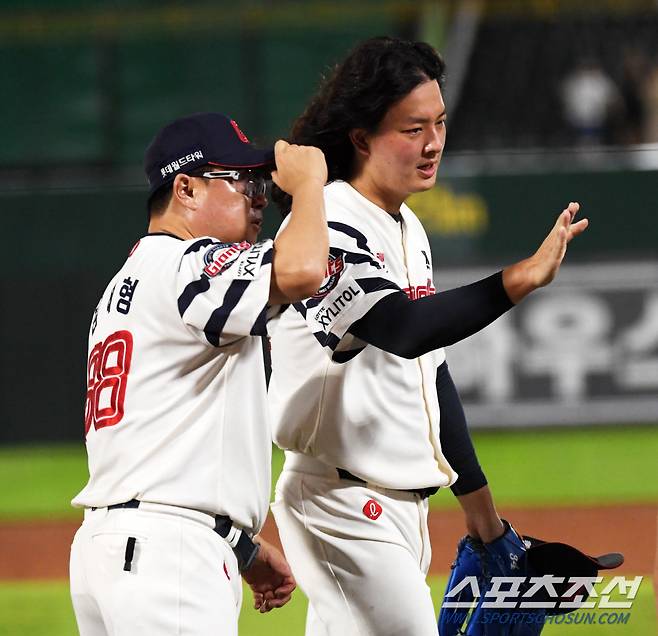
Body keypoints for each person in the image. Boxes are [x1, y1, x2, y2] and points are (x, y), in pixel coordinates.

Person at [267, 37, 588, 636]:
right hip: (339, 502)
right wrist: (517, 280)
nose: (434, 143)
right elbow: (405, 330)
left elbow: (430, 378)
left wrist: (484, 518)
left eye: (439, 123)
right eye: (413, 129)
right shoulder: (328, 220)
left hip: (398, 506)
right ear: (362, 136)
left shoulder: (408, 227)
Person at [69, 112, 329, 635]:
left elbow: (171, 453)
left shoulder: (130, 281)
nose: (259, 197)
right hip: (168, 560)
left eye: (260, 182)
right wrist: (309, 188)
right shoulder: (189, 265)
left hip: (115, 551)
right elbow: (304, 271)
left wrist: (244, 548)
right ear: (185, 189)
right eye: (243, 181)